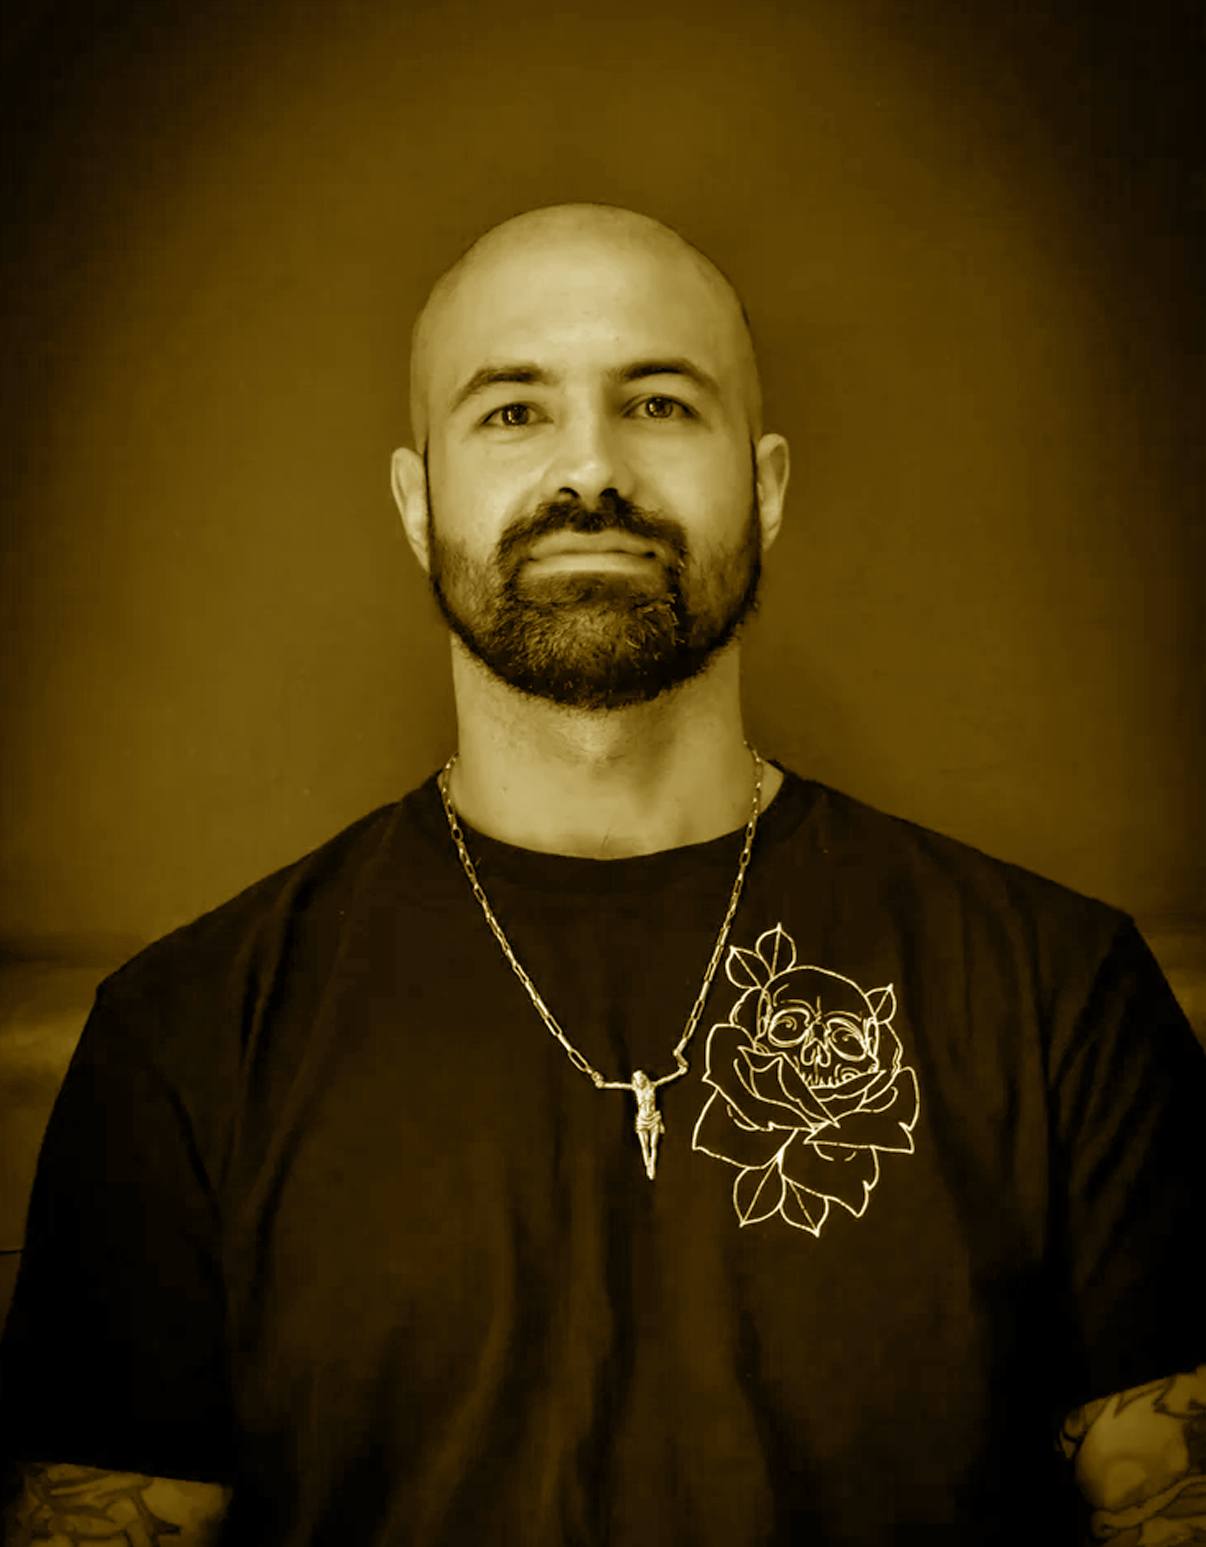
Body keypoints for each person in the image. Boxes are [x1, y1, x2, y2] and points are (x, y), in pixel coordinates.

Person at [0, 202, 1202, 1546]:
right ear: (416, 504)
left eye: (659, 404)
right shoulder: (186, 1034)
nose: (590, 468)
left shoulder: (1056, 992)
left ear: (769, 484)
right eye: (511, 411)